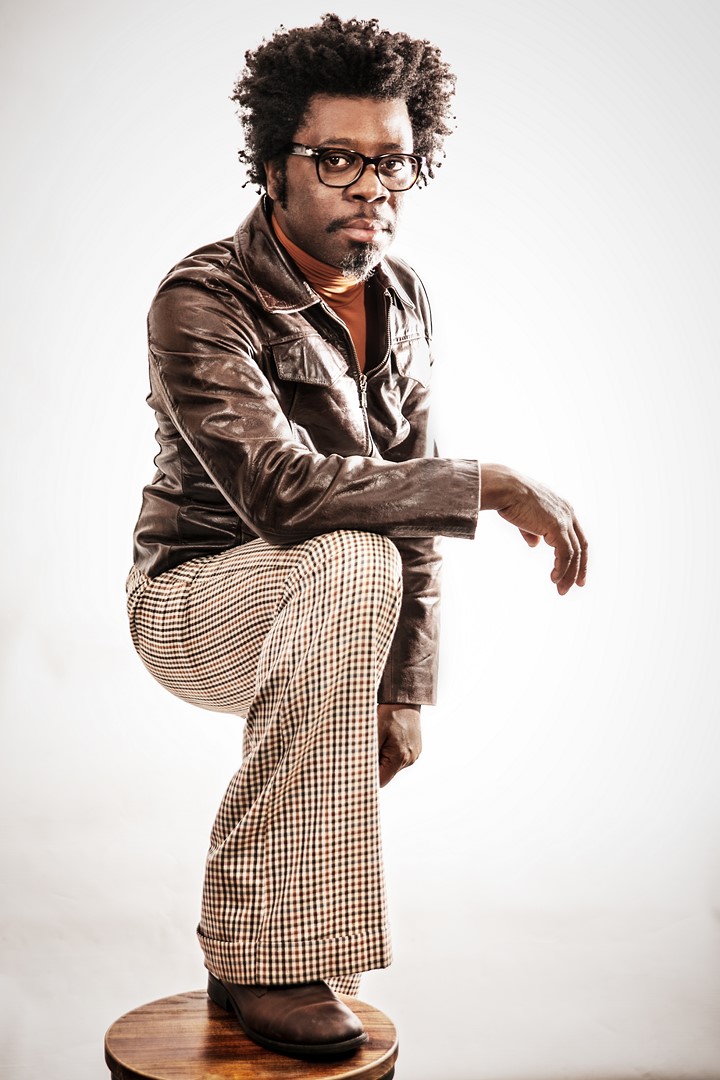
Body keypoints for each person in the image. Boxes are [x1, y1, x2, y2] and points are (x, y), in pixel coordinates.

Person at [126, 12, 588, 1061]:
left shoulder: (404, 296)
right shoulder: (201, 299)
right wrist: (492, 485)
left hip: (338, 600)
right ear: (273, 165)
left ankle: (277, 944)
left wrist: (406, 684)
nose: (371, 187)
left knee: (362, 553)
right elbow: (283, 496)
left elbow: (406, 504)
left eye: (393, 161)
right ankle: (265, 955)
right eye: (337, 159)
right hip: (193, 600)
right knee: (346, 550)